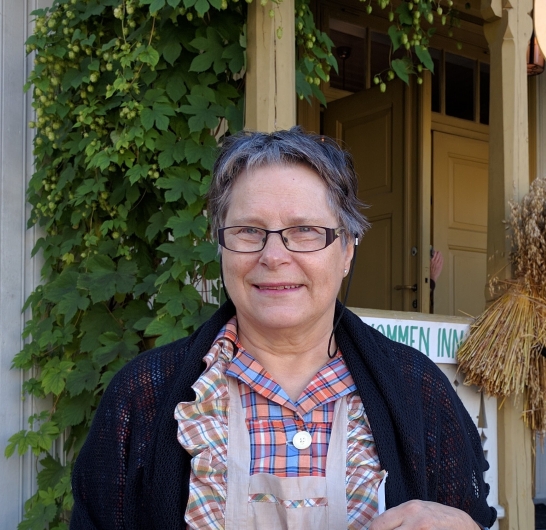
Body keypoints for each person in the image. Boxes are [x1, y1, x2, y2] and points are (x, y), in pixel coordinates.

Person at [70, 128, 496, 530]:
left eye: (305, 230)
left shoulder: (418, 389)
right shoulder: (142, 396)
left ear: (347, 249)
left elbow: (467, 513)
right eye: (248, 230)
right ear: (221, 245)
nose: (273, 255)